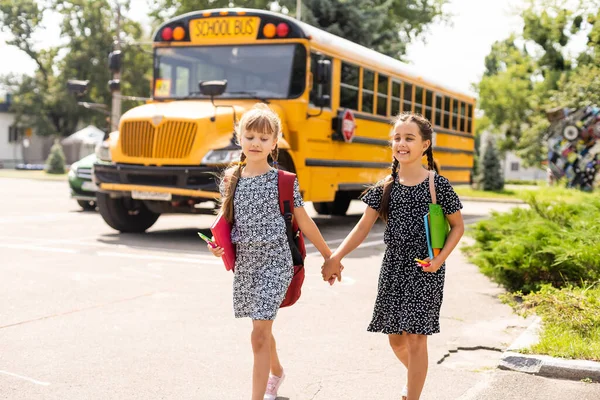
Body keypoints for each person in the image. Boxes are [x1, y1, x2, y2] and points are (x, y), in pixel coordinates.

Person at [321, 112, 464, 400]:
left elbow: (457, 227)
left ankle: (413, 394)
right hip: (394, 266)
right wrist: (335, 257)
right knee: (396, 340)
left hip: (426, 268)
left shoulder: (438, 185)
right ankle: (416, 378)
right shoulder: (386, 186)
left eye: (409, 138)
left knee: (415, 337)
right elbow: (362, 227)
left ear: (424, 145)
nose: (401, 143)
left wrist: (439, 260)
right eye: (397, 138)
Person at [208, 103, 335, 400]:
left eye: (264, 138)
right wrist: (217, 246)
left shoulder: (284, 181)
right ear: (240, 137)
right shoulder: (232, 179)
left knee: (259, 334)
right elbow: (226, 222)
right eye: (250, 136)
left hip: (276, 264)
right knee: (261, 329)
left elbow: (304, 221)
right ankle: (276, 372)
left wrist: (330, 256)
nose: (256, 143)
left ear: (275, 143)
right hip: (246, 265)